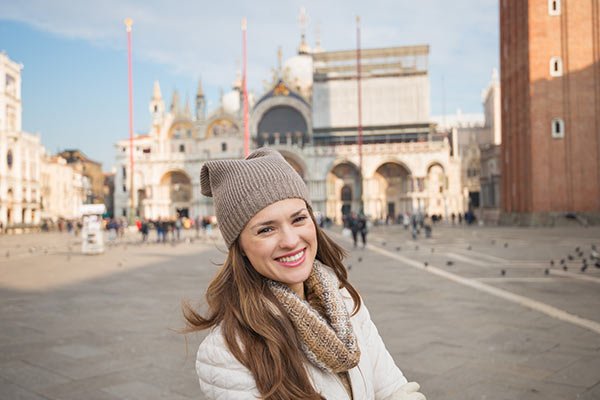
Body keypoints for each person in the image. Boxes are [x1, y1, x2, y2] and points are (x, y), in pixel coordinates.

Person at [182, 148, 425, 400]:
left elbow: (393, 390)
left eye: (298, 219)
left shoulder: (346, 302)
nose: (290, 241)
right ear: (240, 246)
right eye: (266, 229)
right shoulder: (227, 352)